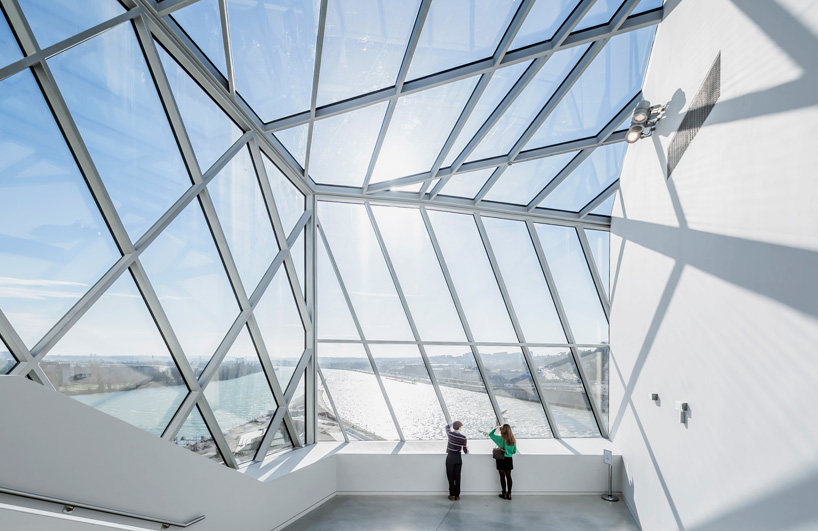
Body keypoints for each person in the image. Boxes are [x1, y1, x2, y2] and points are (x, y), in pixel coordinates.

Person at [489, 424, 517, 500]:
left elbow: (490, 434)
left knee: (502, 476)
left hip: (500, 458)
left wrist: (497, 428)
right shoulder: (512, 440)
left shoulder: (500, 439)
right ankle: (509, 494)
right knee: (509, 476)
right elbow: (514, 451)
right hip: (508, 459)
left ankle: (504, 493)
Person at [444, 421, 468, 501]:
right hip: (458, 457)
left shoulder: (450, 434)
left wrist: (451, 424)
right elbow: (465, 450)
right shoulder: (463, 437)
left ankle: (452, 495)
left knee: (450, 476)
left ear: (454, 427)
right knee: (457, 476)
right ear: (460, 427)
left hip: (450, 457)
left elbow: (446, 428)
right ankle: (457, 496)